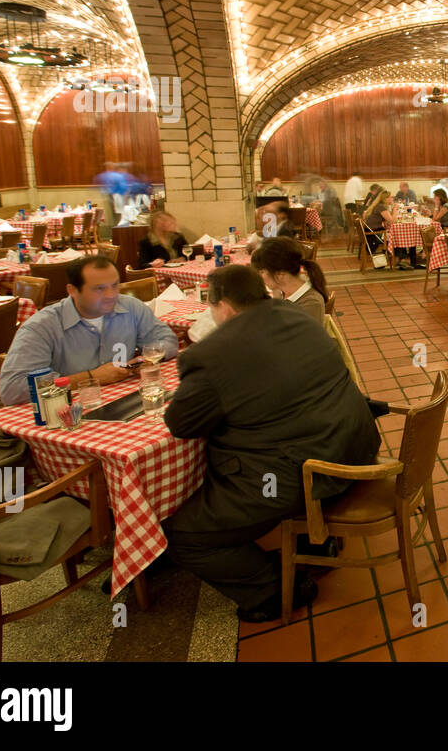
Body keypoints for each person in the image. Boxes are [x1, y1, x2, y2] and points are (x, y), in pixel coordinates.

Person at [162, 265, 381, 622]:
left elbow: (182, 424)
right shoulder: (297, 314)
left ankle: (276, 586)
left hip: (300, 475)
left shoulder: (211, 354)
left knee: (182, 533)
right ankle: (312, 541)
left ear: (225, 308)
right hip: (354, 445)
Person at [0, 255, 179, 403]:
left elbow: (168, 340)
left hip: (127, 401)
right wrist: (90, 377)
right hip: (68, 414)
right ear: (72, 290)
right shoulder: (42, 327)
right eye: (99, 289)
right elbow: (13, 389)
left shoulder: (131, 307)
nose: (111, 295)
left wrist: (146, 358)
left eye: (114, 286)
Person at [251, 236, 329, 324]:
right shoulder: (283, 290)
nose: (260, 277)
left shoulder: (310, 304)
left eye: (262, 272)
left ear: (280, 273)